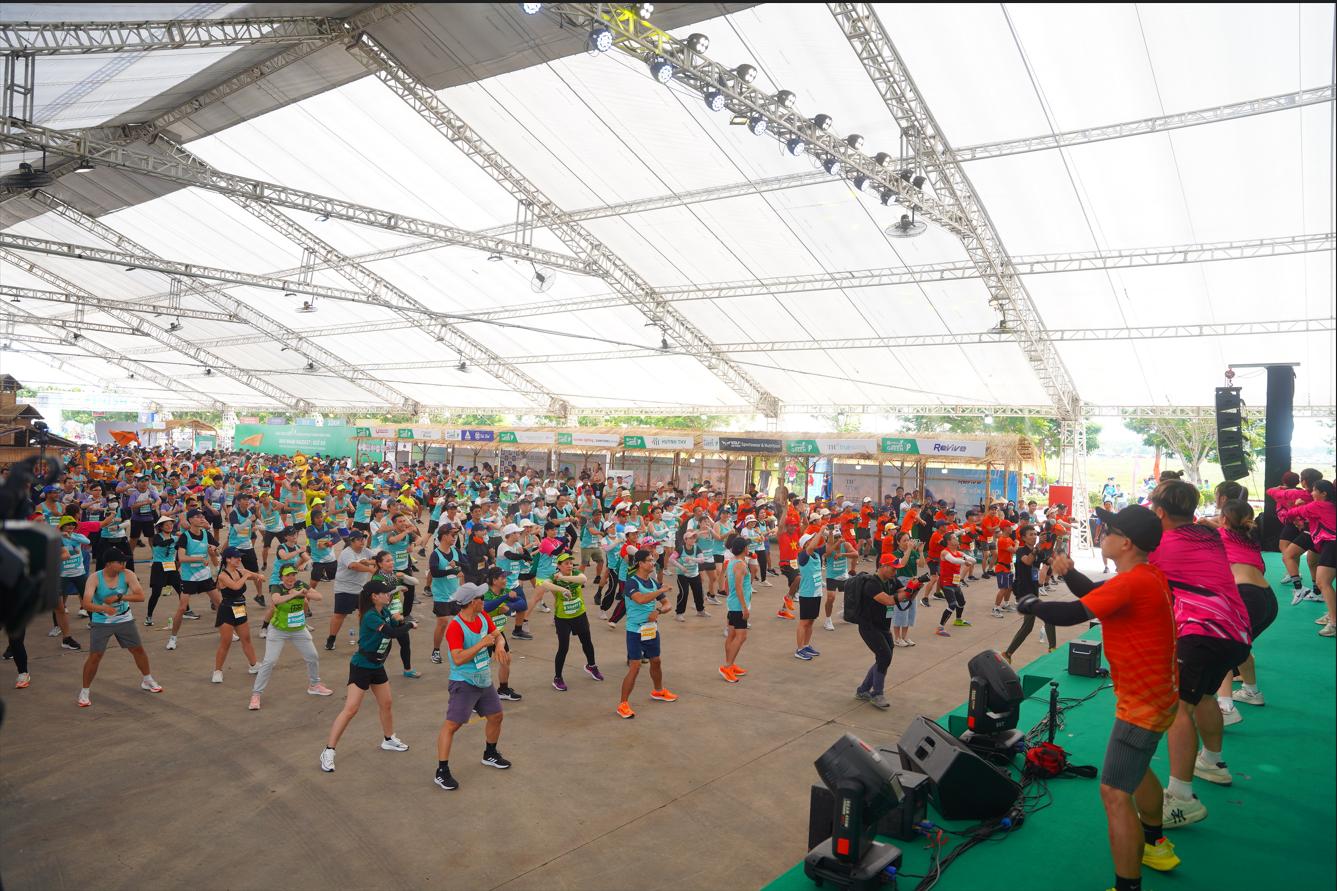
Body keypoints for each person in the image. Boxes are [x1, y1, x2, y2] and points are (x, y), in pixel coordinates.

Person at [1017, 505, 1181, 891]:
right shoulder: (1146, 574)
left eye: (1107, 529)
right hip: (1155, 697)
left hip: (1142, 704)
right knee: (1137, 769)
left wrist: (1029, 602)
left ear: (1125, 543)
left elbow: (1074, 612)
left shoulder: (1132, 582)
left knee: (1114, 791)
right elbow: (1094, 595)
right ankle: (1155, 842)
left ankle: (1128, 885)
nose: (1100, 533)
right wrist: (1067, 572)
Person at [1147, 480, 1252, 829]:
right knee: (1206, 695)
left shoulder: (1161, 545)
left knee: (1179, 709)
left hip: (1202, 633)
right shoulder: (1210, 535)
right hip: (1236, 633)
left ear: (1160, 511)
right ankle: (1214, 762)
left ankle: (1181, 798)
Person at [319, 579, 412, 773]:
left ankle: (388, 739)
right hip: (362, 666)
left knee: (386, 703)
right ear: (374, 597)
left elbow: (391, 620)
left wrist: (397, 618)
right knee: (351, 709)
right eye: (385, 593)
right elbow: (391, 633)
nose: (389, 595)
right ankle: (329, 750)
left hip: (377, 665)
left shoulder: (383, 611)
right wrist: (409, 625)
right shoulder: (370, 616)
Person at [1202, 499, 1277, 724]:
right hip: (1267, 600)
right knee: (1241, 645)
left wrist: (1205, 522)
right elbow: (1223, 528)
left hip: (1246, 596)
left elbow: (1212, 530)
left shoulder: (1220, 537)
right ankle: (1251, 691)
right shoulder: (1250, 539)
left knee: (1222, 648)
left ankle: (1225, 707)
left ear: (1224, 519)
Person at [434, 582, 513, 790]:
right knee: (452, 725)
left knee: (496, 716)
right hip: (464, 682)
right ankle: (441, 771)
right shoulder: (455, 627)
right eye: (481, 597)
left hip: (484, 679)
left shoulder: (483, 616)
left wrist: (499, 646)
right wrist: (482, 643)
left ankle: (490, 753)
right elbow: (457, 658)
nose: (484, 600)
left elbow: (498, 635)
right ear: (472, 602)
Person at [77, 549, 163, 707]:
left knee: (138, 649)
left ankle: (147, 679)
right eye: (120, 562)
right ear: (109, 563)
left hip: (125, 617)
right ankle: (84, 691)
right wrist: (104, 609)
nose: (124, 564)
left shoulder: (128, 574)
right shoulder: (94, 578)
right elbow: (86, 604)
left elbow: (140, 596)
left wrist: (120, 597)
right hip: (102, 621)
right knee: (95, 656)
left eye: (124, 561)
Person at [249, 566, 333, 709]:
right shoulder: (277, 587)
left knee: (313, 656)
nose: (291, 578)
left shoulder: (300, 585)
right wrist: (295, 594)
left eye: (293, 575)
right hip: (278, 631)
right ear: (281, 577)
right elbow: (276, 600)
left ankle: (314, 685)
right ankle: (256, 694)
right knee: (269, 662)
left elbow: (319, 596)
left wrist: (304, 593)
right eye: (287, 575)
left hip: (299, 629)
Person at [616, 548, 677, 719]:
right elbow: (641, 599)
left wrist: (658, 611)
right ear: (640, 563)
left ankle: (658, 691)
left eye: (653, 560)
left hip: (651, 629)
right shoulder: (632, 583)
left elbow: (667, 605)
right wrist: (661, 589)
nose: (653, 563)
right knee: (635, 667)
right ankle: (623, 704)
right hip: (635, 631)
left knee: (656, 661)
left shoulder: (653, 583)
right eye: (649, 560)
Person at [1277, 479, 1335, 633]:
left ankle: (1334, 622)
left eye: (1315, 490)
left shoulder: (1317, 505)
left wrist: (1296, 504)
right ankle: (1332, 615)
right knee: (1323, 580)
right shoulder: (1329, 505)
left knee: (1324, 583)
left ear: (1324, 493)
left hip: (1332, 544)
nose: (1312, 493)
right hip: (1326, 544)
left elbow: (1290, 514)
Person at [1001, 525, 1054, 663]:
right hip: (1024, 593)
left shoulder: (1039, 552)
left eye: (1035, 534)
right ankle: (1053, 648)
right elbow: (1028, 561)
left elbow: (1050, 561)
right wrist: (1038, 547)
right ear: (1023, 538)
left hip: (1033, 592)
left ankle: (1008, 653)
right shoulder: (1021, 551)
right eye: (1030, 534)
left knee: (1027, 627)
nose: (1034, 536)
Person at [550, 552, 602, 691]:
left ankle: (591, 666)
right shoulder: (554, 577)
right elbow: (544, 585)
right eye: (566, 563)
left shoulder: (576, 573)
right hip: (563, 618)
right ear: (559, 566)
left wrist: (564, 577)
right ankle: (557, 678)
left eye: (571, 563)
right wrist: (561, 587)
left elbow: (583, 579)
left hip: (579, 615)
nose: (570, 565)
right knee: (563, 647)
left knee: (587, 642)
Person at [212, 547, 262, 683]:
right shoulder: (223, 575)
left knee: (246, 638)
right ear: (228, 559)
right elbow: (235, 586)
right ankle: (217, 671)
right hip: (227, 610)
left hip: (240, 608)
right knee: (226, 642)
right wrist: (246, 576)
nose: (240, 559)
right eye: (236, 557)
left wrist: (259, 576)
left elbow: (254, 575)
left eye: (240, 557)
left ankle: (253, 665)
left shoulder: (240, 571)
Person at [327, 529, 375, 650]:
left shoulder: (366, 551)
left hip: (361, 589)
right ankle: (331, 639)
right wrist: (370, 569)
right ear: (352, 541)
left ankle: (364, 638)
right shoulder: (346, 553)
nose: (362, 541)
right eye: (359, 539)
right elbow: (353, 566)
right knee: (340, 615)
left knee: (365, 614)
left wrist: (369, 561)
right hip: (345, 589)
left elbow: (378, 558)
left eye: (363, 538)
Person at [429, 526, 463, 663]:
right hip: (441, 595)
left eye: (455, 534)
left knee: (462, 622)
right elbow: (435, 573)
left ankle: (460, 648)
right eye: (452, 534)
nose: (454, 537)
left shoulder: (456, 551)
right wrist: (452, 571)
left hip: (456, 594)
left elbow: (466, 565)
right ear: (443, 536)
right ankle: (436, 651)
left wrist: (459, 565)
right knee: (443, 623)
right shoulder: (435, 554)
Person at [720, 538, 753, 684]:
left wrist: (729, 597)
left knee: (732, 635)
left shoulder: (732, 561)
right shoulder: (740, 564)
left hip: (733, 604)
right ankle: (727, 667)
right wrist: (744, 608)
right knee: (741, 637)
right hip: (739, 606)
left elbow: (727, 583)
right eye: (747, 546)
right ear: (743, 549)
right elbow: (739, 587)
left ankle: (730, 664)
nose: (748, 548)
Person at [793, 529, 826, 660]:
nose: (814, 541)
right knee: (804, 622)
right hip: (807, 594)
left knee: (811, 621)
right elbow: (812, 546)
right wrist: (821, 530)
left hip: (816, 593)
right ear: (805, 544)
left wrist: (829, 534)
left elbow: (828, 547)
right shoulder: (803, 555)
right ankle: (799, 649)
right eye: (810, 539)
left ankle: (806, 645)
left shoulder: (816, 554)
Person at [888, 531, 922, 647]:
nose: (907, 542)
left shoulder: (913, 552)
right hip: (901, 583)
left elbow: (921, 564)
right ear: (898, 542)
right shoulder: (895, 554)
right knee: (900, 610)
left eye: (909, 540)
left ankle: (905, 636)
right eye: (904, 540)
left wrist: (921, 552)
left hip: (913, 582)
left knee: (911, 610)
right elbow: (902, 564)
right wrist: (909, 550)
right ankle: (897, 638)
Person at [934, 533, 971, 636]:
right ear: (949, 542)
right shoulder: (945, 552)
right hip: (946, 582)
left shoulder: (958, 552)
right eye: (954, 538)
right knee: (952, 604)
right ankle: (940, 628)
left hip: (955, 581)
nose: (957, 539)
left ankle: (958, 620)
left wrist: (968, 559)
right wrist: (965, 561)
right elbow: (953, 560)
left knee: (962, 602)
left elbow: (972, 559)